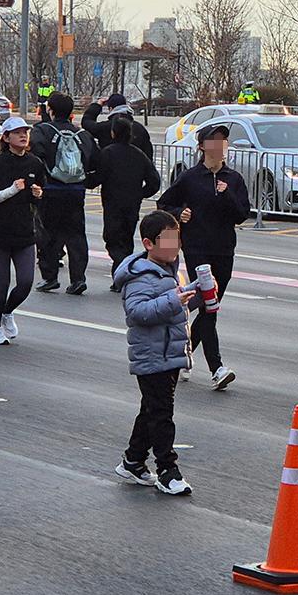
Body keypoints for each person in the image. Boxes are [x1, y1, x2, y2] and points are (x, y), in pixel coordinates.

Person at [156, 124, 250, 391]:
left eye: (224, 141)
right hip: (197, 247)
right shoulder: (190, 177)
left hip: (223, 248)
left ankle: (181, 356)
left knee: (211, 306)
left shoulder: (233, 179)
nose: (220, 146)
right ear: (202, 147)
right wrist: (180, 212)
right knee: (210, 306)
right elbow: (164, 203)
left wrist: (227, 193)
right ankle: (217, 367)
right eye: (214, 141)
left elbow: (242, 214)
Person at [113, 210, 195, 496]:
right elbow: (137, 313)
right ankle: (167, 469)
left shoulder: (169, 270)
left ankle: (133, 460)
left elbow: (173, 309)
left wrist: (195, 293)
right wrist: (174, 299)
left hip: (168, 353)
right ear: (149, 243)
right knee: (161, 413)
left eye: (177, 239)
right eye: (169, 240)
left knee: (151, 409)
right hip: (151, 356)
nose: (175, 246)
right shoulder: (140, 277)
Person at [0, 117, 46, 346]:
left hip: (24, 232)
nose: (23, 136)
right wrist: (12, 190)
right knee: (2, 284)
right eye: (17, 133)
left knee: (26, 282)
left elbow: (39, 192)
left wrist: (38, 194)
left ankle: (7, 312)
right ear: (6, 138)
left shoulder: (34, 163)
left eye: (25, 132)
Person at [29, 92, 99, 296]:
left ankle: (50, 277)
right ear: (71, 113)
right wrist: (86, 182)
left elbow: (35, 158)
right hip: (76, 193)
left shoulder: (42, 131)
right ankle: (78, 279)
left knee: (47, 235)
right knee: (76, 236)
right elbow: (95, 162)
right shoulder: (83, 135)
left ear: (50, 110)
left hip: (50, 191)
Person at [88, 115, 161, 286]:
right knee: (126, 240)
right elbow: (154, 182)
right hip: (132, 203)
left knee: (112, 239)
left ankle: (124, 271)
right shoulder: (139, 155)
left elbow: (97, 178)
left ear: (113, 133)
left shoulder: (108, 153)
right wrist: (140, 193)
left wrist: (82, 181)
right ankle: (119, 278)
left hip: (112, 202)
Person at [82, 93, 154, 160]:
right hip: (136, 171)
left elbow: (86, 122)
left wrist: (97, 105)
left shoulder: (105, 127)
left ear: (110, 108)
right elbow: (148, 153)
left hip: (110, 170)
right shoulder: (140, 129)